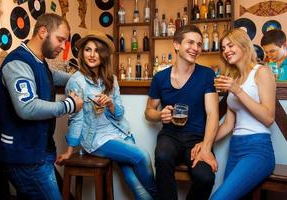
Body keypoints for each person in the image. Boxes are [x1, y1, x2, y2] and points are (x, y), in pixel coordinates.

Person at [55, 30, 158, 200]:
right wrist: (70, 150)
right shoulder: (76, 81)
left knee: (131, 177)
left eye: (97, 50)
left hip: (120, 131)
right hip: (97, 139)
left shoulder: (111, 79)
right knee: (142, 156)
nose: (92, 55)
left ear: (103, 55)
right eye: (88, 50)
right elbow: (76, 118)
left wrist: (110, 103)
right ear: (82, 53)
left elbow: (119, 114)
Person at [0, 13, 83, 200]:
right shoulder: (18, 62)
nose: (63, 46)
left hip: (38, 154)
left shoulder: (39, 61)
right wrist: (69, 105)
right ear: (43, 32)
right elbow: (27, 107)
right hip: (25, 157)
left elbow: (54, 76)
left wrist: (83, 80)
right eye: (60, 40)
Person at [144, 25, 219, 200]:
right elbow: (148, 112)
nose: (196, 48)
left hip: (196, 139)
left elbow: (213, 114)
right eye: (190, 42)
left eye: (199, 44)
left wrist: (206, 147)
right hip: (169, 135)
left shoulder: (207, 74)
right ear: (176, 45)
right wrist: (160, 115)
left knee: (206, 177)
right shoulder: (160, 77)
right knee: (162, 157)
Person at [206, 28, 276, 200]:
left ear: (244, 45)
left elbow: (268, 118)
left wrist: (237, 91)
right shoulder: (235, 79)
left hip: (258, 149)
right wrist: (204, 143)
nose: (226, 51)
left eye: (230, 45)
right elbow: (228, 125)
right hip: (235, 148)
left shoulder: (261, 72)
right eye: (223, 48)